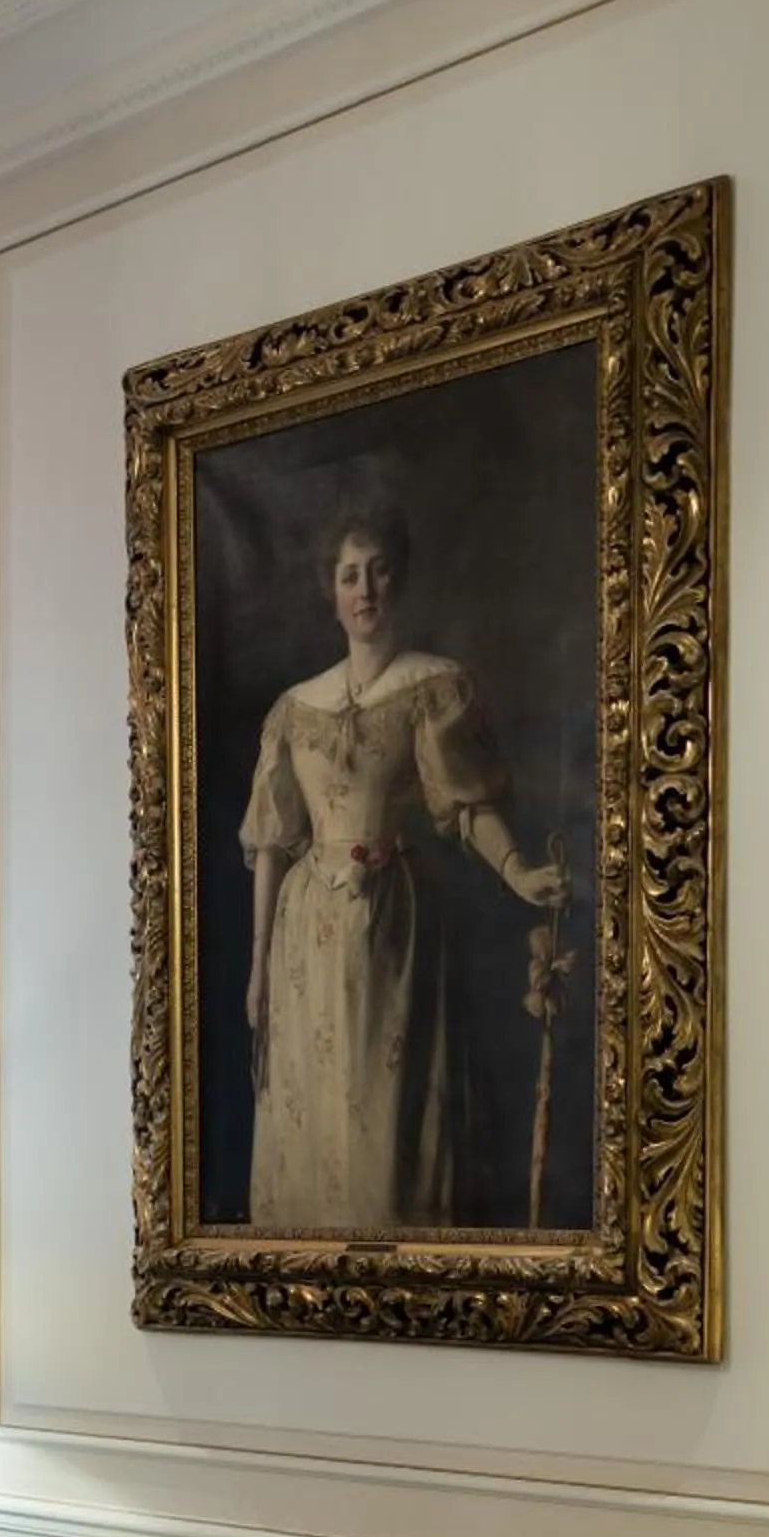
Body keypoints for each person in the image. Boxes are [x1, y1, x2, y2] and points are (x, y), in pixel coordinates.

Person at [240, 501, 568, 1234]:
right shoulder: (295, 708)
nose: (365, 590)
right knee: (313, 1108)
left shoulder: (431, 686)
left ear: (400, 580)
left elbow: (467, 806)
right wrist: (259, 965)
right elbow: (271, 841)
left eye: (379, 572)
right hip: (304, 940)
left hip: (393, 926)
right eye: (349, 575)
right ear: (330, 590)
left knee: (385, 1124)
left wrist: (518, 870)